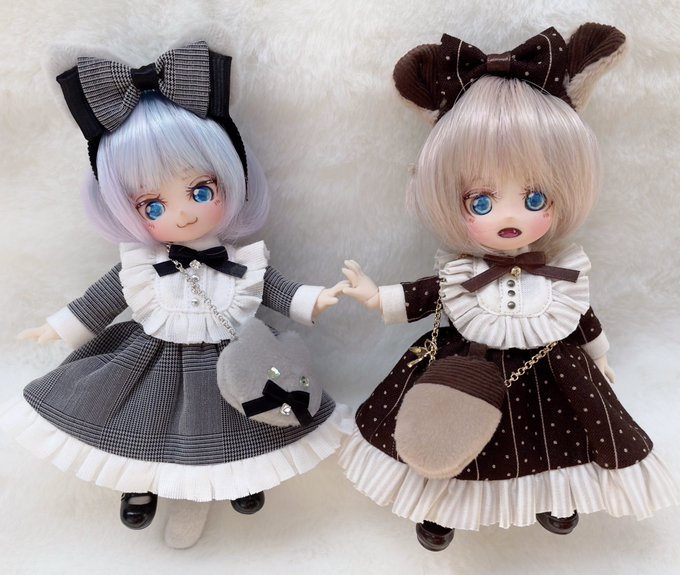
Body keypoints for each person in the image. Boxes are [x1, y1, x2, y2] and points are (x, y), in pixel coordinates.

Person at [339, 24, 677, 552]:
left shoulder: (563, 275)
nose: (510, 217)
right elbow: (424, 296)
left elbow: (584, 319)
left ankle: (555, 495)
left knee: (554, 437)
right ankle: (438, 505)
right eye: (481, 202)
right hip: (465, 368)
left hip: (548, 369)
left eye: (535, 199)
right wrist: (373, 295)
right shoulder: (460, 275)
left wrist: (601, 358)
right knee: (444, 433)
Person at [2, 41, 349, 547]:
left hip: (233, 359)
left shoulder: (243, 260)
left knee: (243, 418)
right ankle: (140, 484)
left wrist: (314, 299)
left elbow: (277, 289)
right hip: (152, 360)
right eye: (152, 205)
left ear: (231, 180)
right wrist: (58, 326)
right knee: (141, 427)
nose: (184, 214)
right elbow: (102, 299)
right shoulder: (140, 266)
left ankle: (242, 476)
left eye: (201, 191)